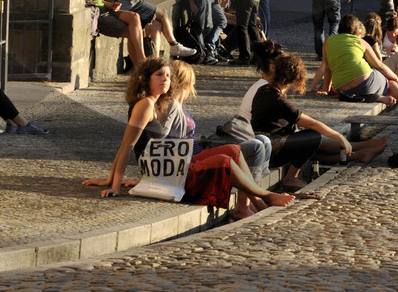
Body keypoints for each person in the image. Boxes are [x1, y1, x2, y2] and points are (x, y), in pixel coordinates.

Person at [83, 57, 304, 220]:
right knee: (224, 161)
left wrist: (111, 178)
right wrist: (113, 184)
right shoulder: (146, 104)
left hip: (174, 162)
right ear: (145, 79)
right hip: (166, 169)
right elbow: (127, 145)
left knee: (233, 150)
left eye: (168, 76)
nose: (165, 79)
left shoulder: (158, 102)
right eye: (159, 75)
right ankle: (266, 197)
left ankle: (259, 202)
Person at [251, 51, 384, 189]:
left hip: (269, 144)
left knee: (313, 146)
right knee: (312, 136)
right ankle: (291, 177)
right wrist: (339, 136)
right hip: (271, 151)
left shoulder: (265, 90)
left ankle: (361, 152)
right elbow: (311, 123)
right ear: (295, 79)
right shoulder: (277, 99)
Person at [314, 14, 398, 106]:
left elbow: (328, 68)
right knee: (389, 83)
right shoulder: (360, 41)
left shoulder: (328, 41)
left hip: (342, 89)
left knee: (368, 86)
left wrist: (325, 89)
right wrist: (395, 78)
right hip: (365, 83)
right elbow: (379, 65)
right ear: (356, 30)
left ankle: (376, 97)